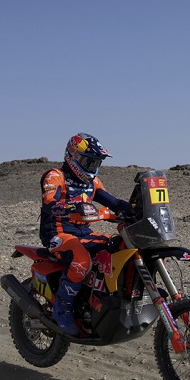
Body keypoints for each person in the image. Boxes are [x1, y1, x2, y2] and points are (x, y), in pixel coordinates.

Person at [39, 133, 132, 335]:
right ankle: (62, 309)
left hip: (82, 233)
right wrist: (71, 207)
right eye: (88, 161)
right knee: (81, 261)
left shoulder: (93, 182)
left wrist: (134, 208)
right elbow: (50, 203)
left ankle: (98, 302)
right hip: (57, 233)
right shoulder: (55, 176)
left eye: (95, 162)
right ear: (72, 157)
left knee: (117, 248)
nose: (92, 166)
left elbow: (113, 202)